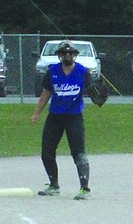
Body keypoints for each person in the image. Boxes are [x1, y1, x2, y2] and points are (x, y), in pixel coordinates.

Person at [30, 41, 104, 200]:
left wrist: (97, 96)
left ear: (75, 55)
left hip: (74, 117)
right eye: (64, 53)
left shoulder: (82, 71)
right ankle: (54, 185)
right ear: (60, 55)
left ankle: (85, 189)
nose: (68, 56)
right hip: (55, 116)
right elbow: (46, 93)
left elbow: (93, 89)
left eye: (71, 53)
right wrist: (37, 113)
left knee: (78, 153)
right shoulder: (52, 71)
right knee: (47, 152)